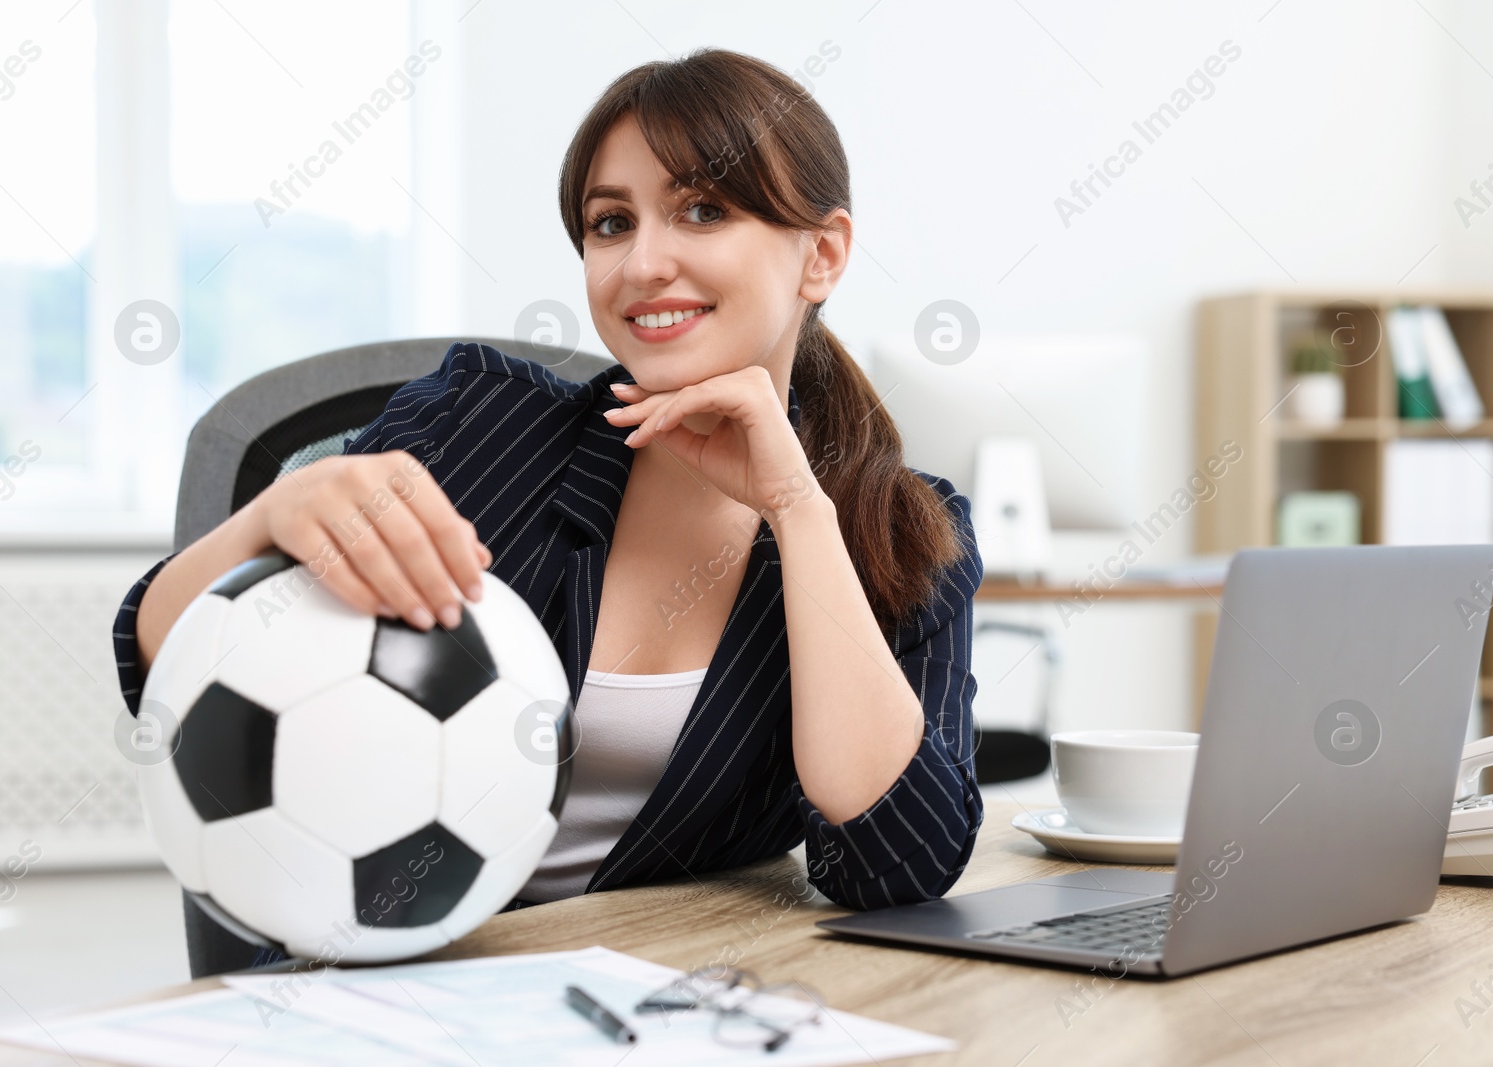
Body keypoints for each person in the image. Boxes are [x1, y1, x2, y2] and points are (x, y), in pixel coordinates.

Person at [113, 46, 984, 974]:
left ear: (823, 254)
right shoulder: (473, 421)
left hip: (657, 999)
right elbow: (159, 656)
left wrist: (796, 508)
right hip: (379, 989)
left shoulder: (903, 528)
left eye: (703, 209)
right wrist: (274, 515)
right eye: (611, 223)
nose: (645, 263)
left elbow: (897, 862)